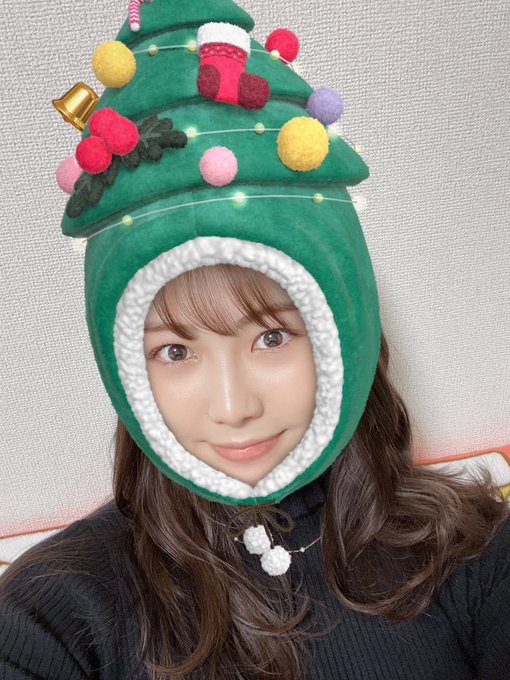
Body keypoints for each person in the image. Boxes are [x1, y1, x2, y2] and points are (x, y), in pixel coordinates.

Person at [1, 1, 509, 679]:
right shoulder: (57, 615)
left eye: (271, 336)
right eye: (176, 351)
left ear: (344, 329)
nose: (233, 406)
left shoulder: (472, 549)